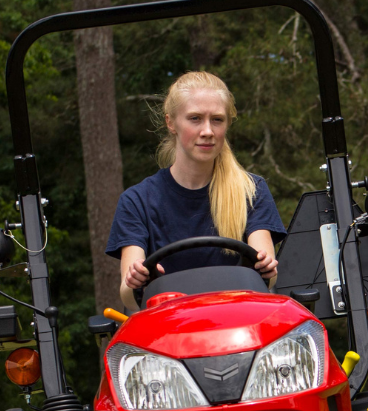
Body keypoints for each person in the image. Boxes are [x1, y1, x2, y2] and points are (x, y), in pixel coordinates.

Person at [105, 71, 285, 312]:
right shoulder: (137, 201)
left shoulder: (251, 190)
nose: (208, 131)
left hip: (239, 323)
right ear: (171, 123)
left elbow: (267, 276)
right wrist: (137, 279)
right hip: (168, 330)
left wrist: (266, 267)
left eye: (217, 120)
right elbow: (128, 295)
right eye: (195, 118)